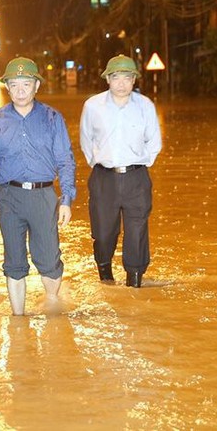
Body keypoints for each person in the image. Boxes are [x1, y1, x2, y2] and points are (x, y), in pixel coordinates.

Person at [0, 57, 76, 316]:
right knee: (14, 259)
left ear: (36, 86)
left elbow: (65, 160)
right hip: (9, 197)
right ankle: (18, 320)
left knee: (49, 257)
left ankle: (52, 305)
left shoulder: (53, 118)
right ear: (7, 86)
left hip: (43, 196)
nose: (20, 90)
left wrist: (66, 200)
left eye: (26, 84)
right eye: (14, 84)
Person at [79, 54, 162, 287]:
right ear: (108, 79)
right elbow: (86, 140)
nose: (122, 83)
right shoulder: (93, 106)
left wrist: (139, 163)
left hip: (137, 177)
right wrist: (101, 162)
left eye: (127, 78)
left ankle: (134, 281)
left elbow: (154, 142)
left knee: (137, 231)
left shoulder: (145, 106)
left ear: (134, 80)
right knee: (104, 232)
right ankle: (105, 274)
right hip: (104, 177)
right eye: (116, 77)